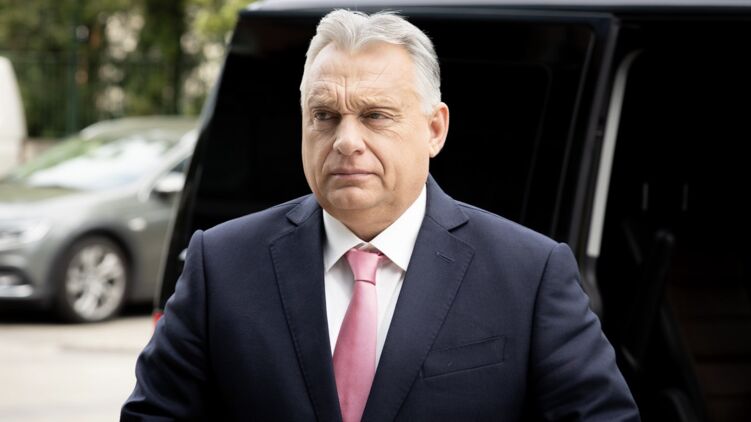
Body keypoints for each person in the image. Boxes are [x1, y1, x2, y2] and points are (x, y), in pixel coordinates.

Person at [122, 9, 639, 421]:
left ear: (434, 129)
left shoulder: (529, 273)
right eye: (325, 116)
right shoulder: (222, 264)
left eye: (375, 116)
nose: (346, 141)